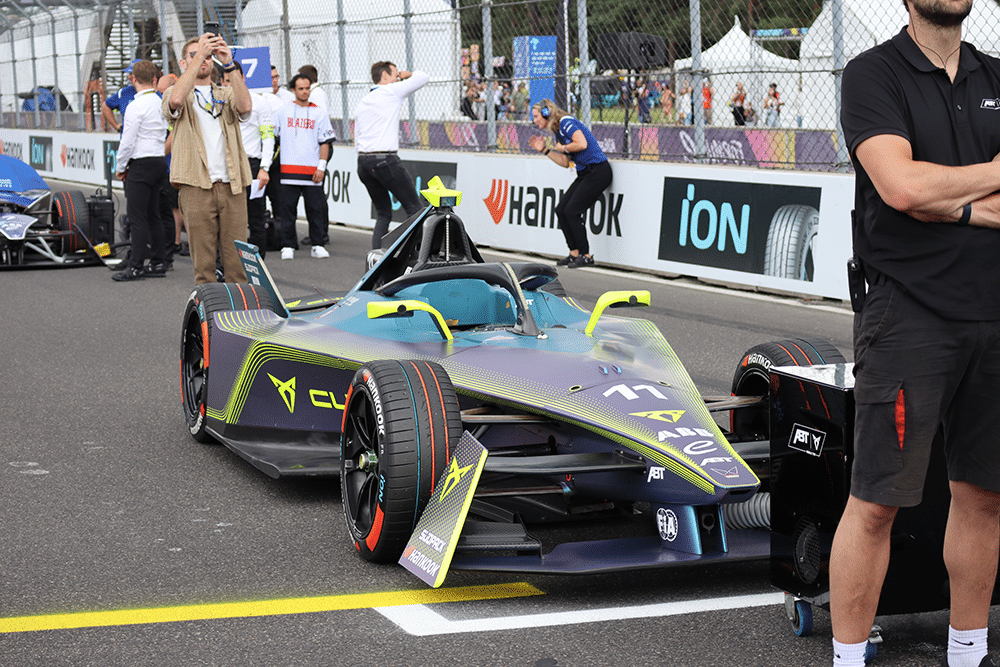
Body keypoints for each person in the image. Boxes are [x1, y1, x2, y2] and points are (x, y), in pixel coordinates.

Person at [831, 1, 1000, 666]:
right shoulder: (873, 75)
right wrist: (990, 180)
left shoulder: (994, 76)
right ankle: (848, 659)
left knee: (985, 494)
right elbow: (899, 185)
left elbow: (922, 191)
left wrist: (947, 203)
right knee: (876, 500)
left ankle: (967, 650)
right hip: (907, 314)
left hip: (994, 312)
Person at [162, 33, 251, 285]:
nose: (203, 58)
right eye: (194, 54)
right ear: (183, 63)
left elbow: (245, 107)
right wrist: (199, 55)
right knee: (204, 266)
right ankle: (210, 319)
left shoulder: (225, 92)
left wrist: (229, 63)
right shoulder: (174, 91)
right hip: (196, 185)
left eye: (206, 54)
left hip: (232, 185)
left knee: (238, 264)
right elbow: (176, 101)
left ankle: (240, 318)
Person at [527, 98, 612, 269]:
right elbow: (565, 162)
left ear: (546, 113)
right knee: (561, 210)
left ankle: (586, 256)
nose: (534, 120)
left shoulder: (566, 122)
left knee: (572, 211)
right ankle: (574, 253)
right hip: (585, 173)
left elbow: (581, 143)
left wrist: (563, 148)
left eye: (536, 116)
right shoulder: (558, 130)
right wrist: (545, 150)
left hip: (598, 171)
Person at [354, 61, 429, 249]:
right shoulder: (390, 91)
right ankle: (415, 253)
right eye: (395, 74)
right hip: (385, 159)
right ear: (385, 76)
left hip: (363, 161)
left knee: (383, 213)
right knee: (415, 209)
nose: (398, 77)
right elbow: (423, 77)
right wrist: (407, 74)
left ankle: (376, 260)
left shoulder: (363, 102)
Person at [112, 60, 169, 282]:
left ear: (133, 79)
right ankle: (157, 262)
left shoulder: (135, 106)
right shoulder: (160, 102)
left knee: (137, 218)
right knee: (154, 215)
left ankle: (136, 266)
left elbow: (127, 141)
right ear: (154, 79)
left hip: (141, 163)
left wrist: (120, 166)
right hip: (158, 161)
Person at [274, 72, 334, 260]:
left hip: (312, 171)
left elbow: (325, 142)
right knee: (287, 210)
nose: (305, 92)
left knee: (315, 210)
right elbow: (273, 137)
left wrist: (321, 167)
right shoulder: (282, 111)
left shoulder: (319, 112)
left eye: (307, 88)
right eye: (300, 88)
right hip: (288, 170)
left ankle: (318, 244)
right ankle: (288, 245)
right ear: (293, 90)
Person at [224, 60, 276, 259]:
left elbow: (268, 136)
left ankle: (257, 263)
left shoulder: (260, 102)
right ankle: (226, 263)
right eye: (227, 80)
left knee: (255, 216)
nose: (231, 83)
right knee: (227, 216)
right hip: (225, 166)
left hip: (251, 165)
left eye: (235, 78)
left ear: (243, 78)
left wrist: (264, 167)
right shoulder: (218, 102)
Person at [102, 59, 141, 133]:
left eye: (132, 74)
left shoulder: (155, 92)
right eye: (129, 74)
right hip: (128, 141)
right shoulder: (124, 92)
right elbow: (105, 106)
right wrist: (116, 126)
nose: (129, 77)